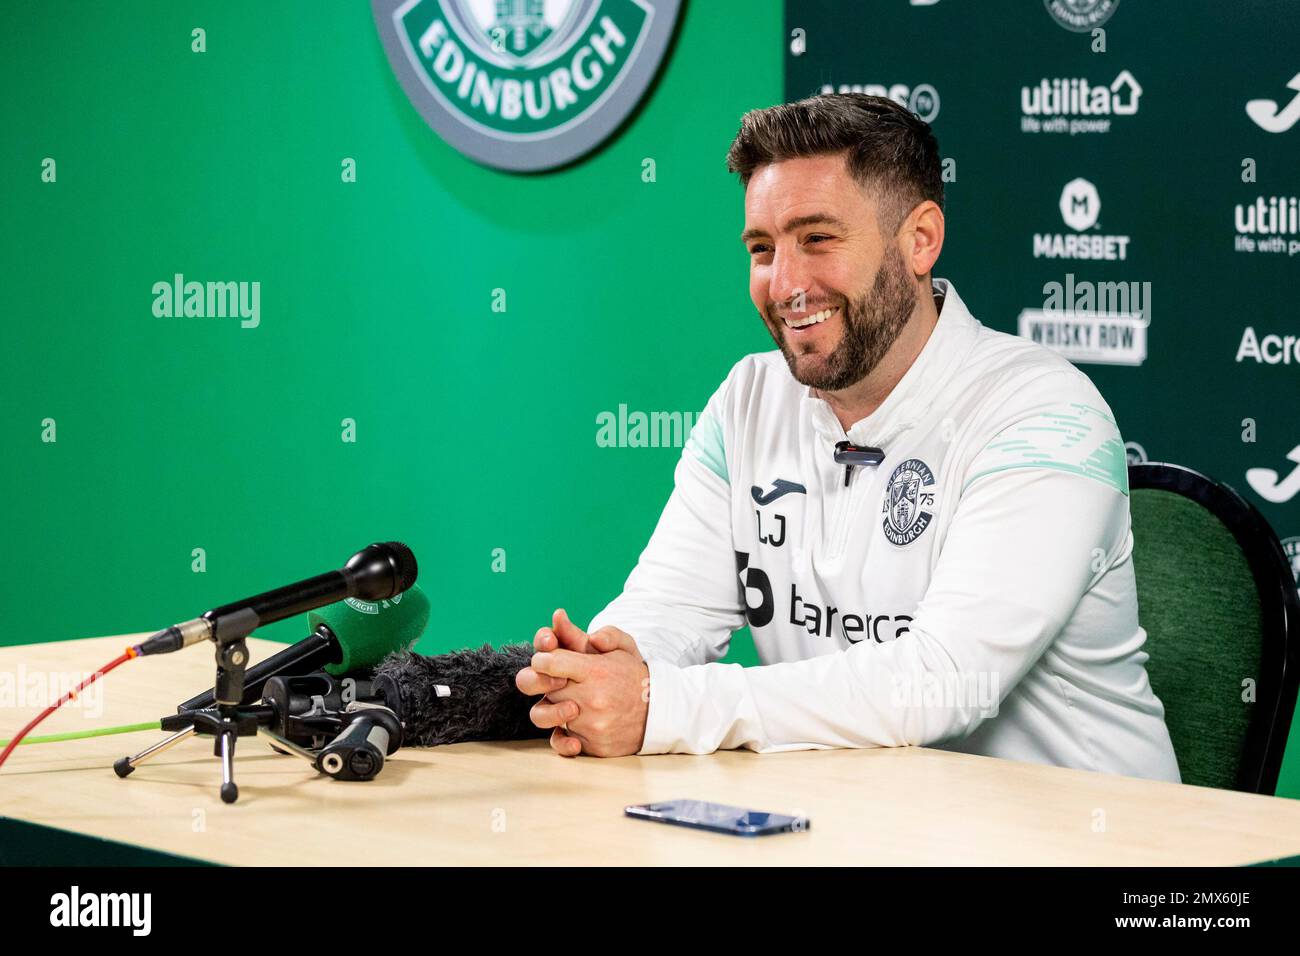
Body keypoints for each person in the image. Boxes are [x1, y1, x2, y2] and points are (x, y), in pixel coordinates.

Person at [515, 93, 1179, 782]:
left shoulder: (1044, 412)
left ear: (919, 240)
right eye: (763, 249)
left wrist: (661, 704)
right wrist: (601, 670)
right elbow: (667, 609)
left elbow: (941, 682)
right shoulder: (748, 399)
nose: (787, 284)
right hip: (863, 830)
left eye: (819, 239)